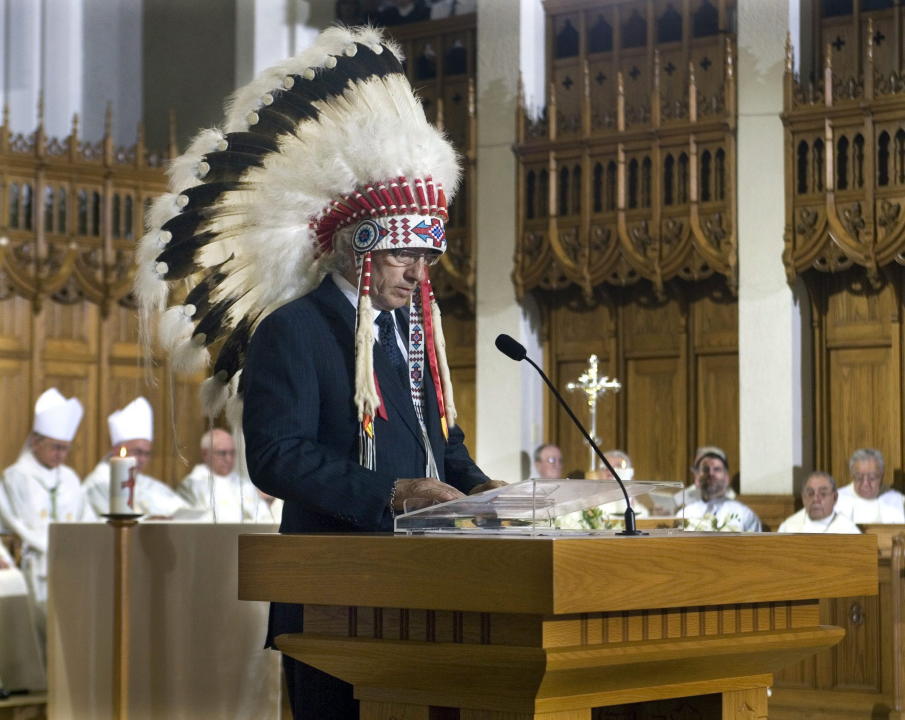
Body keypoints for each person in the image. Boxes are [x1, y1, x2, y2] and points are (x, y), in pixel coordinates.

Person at [134, 26, 499, 720]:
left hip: (428, 590)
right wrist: (389, 494)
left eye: (425, 258)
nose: (418, 272)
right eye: (402, 256)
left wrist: (481, 490)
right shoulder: (293, 329)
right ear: (357, 249)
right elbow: (276, 457)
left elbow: (440, 444)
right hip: (336, 589)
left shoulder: (413, 330)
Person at [0, 388, 93, 633]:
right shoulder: (16, 476)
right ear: (35, 442)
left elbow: (86, 518)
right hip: (33, 567)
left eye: (65, 448)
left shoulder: (71, 478)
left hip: (72, 565)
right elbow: (10, 522)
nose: (60, 455)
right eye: (55, 447)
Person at [83, 397, 186, 517]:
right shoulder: (98, 483)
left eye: (147, 454)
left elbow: (184, 512)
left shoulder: (150, 484)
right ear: (117, 450)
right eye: (137, 452)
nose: (142, 460)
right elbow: (108, 525)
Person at [178, 429, 278, 522]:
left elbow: (264, 517)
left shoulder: (245, 484)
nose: (228, 459)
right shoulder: (193, 484)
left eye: (232, 453)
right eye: (222, 453)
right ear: (205, 454)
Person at [682, 449, 761, 531]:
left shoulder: (744, 515)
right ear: (697, 479)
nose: (711, 473)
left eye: (717, 469)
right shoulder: (684, 514)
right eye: (705, 469)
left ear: (727, 478)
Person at [834, 448, 905, 524]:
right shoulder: (835, 500)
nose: (865, 483)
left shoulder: (898, 500)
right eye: (859, 477)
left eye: (872, 478)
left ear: (882, 476)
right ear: (852, 475)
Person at [778, 471, 861, 534]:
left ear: (835, 498)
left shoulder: (848, 530)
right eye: (810, 493)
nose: (815, 499)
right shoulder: (788, 527)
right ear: (803, 497)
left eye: (823, 494)